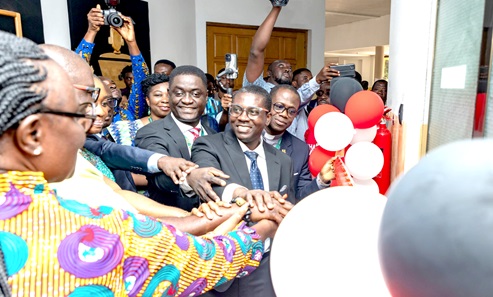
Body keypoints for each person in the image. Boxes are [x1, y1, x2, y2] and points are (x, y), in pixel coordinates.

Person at [0, 30, 281, 296]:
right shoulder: (85, 231)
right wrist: (262, 224)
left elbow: (118, 195)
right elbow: (205, 260)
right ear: (32, 134)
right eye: (81, 113)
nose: (86, 129)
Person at [190, 85, 294, 297]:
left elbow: (284, 207)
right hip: (221, 263)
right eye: (237, 110)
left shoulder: (283, 160)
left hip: (265, 265)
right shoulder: (207, 145)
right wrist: (242, 193)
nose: (243, 117)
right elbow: (209, 184)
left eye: (253, 112)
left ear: (268, 117)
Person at [135, 65, 225, 211]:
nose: (187, 100)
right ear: (169, 94)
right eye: (179, 93)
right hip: (173, 223)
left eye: (196, 94)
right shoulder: (150, 132)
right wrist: (189, 179)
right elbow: (159, 178)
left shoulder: (215, 135)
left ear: (206, 96)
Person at [242, 2, 338, 111]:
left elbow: (305, 91)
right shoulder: (258, 88)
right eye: (281, 66)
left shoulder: (292, 96)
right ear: (269, 73)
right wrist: (277, 7)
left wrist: (318, 79)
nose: (287, 69)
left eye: (290, 68)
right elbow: (256, 51)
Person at [76, 5, 149, 122]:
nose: (112, 88)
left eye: (113, 85)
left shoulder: (129, 113)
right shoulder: (89, 119)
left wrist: (131, 42)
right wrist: (92, 31)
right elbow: (76, 71)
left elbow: (141, 81)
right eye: (105, 87)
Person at [264, 84, 335, 201]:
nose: (284, 114)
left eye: (291, 111)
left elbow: (300, 195)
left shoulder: (300, 149)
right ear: (267, 106)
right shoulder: (248, 137)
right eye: (279, 106)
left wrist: (321, 180)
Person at [107, 73, 171, 146]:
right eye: (158, 95)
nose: (165, 100)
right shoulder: (126, 130)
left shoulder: (183, 128)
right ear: (148, 100)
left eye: (170, 95)